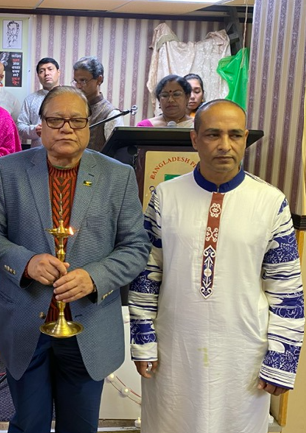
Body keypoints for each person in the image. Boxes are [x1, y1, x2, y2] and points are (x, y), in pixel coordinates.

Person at [0, 86, 150, 433]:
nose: (66, 128)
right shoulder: (9, 170)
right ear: (40, 125)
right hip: (26, 322)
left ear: (88, 125)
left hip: (89, 326)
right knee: (29, 425)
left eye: (76, 121)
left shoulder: (118, 176)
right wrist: (25, 262)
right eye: (56, 120)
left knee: (80, 427)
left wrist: (95, 277)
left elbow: (136, 247)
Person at [129, 99, 304, 433]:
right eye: (213, 134)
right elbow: (146, 276)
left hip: (243, 355)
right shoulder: (165, 196)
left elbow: (287, 289)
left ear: (245, 139)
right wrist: (143, 340)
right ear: (195, 139)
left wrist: (281, 359)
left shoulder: (271, 202)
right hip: (174, 350)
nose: (225, 145)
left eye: (235, 135)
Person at [72, 56, 123, 152]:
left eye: (83, 81)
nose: (78, 86)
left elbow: (117, 154)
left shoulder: (111, 114)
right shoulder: (72, 109)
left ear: (99, 80)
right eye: (76, 81)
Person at [17, 57, 61, 148]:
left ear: (58, 72)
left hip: (65, 150)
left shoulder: (70, 97)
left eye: (50, 69)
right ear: (38, 76)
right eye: (42, 71)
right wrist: (35, 130)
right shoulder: (30, 100)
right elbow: (20, 127)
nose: (46, 73)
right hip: (38, 151)